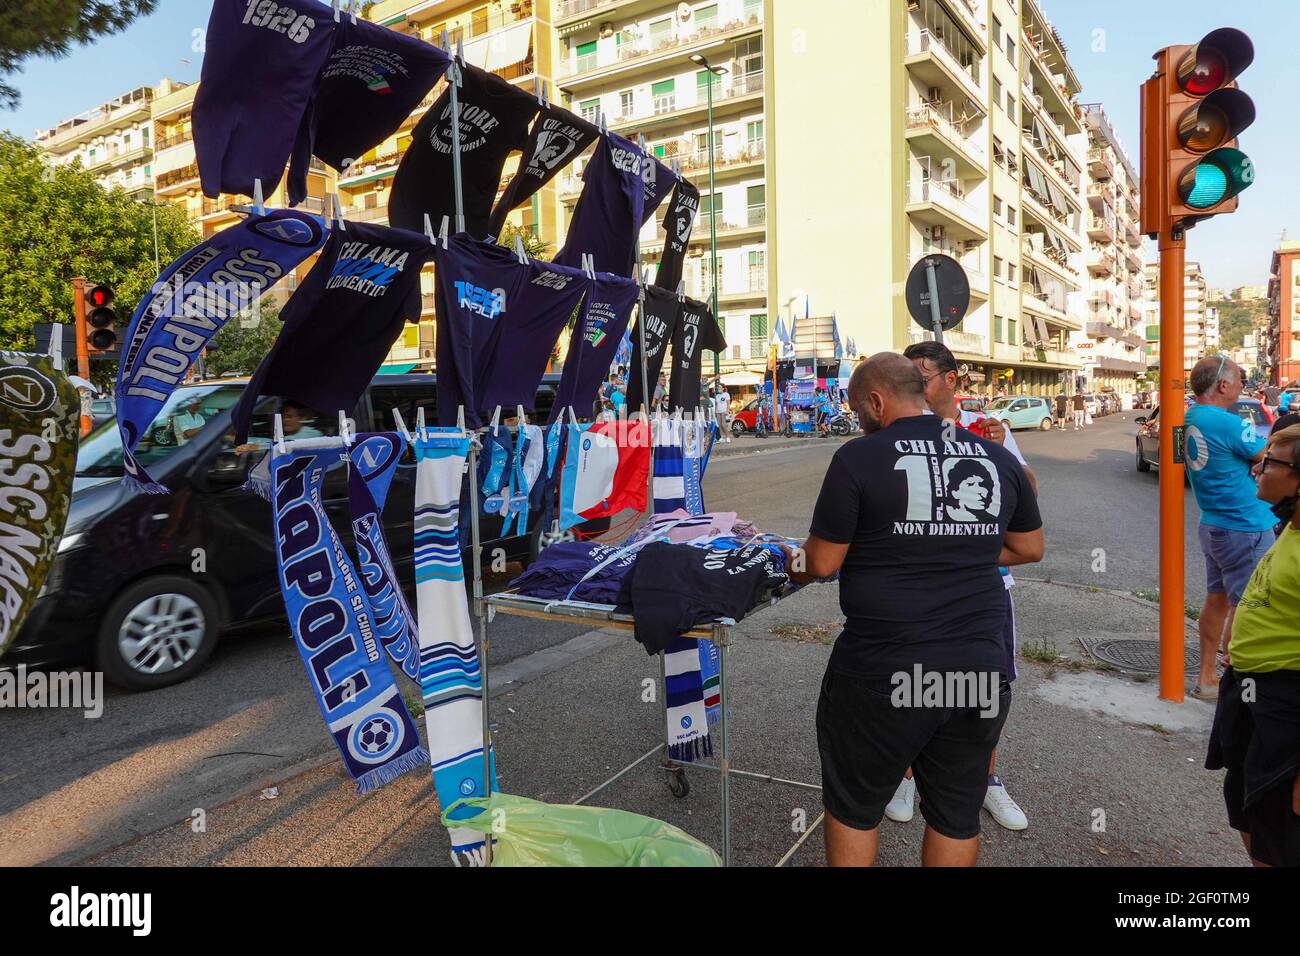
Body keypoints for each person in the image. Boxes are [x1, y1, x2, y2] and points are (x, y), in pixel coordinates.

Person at [788, 353, 1043, 867]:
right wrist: (955, 546)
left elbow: (822, 561)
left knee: (856, 807)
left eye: (858, 408)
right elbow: (1029, 547)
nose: (858, 417)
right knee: (955, 814)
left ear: (876, 401)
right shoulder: (993, 456)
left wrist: (789, 560)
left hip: (883, 668)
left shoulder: (858, 457)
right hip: (977, 669)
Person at [901, 340, 1036, 831]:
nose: (913, 387)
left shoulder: (987, 428)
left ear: (951, 380)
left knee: (988, 687)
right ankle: (907, 774)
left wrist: (999, 453)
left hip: (986, 583)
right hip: (921, 584)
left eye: (921, 378)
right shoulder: (901, 430)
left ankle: (985, 779)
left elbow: (1029, 495)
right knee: (912, 681)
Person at [1205, 423, 1300, 867]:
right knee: (1249, 811)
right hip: (1249, 690)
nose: (1256, 469)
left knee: (1279, 833)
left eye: (1270, 463)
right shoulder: (1289, 527)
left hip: (1284, 703)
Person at [1184, 355, 1273, 701]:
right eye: (1239, 380)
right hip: (1246, 526)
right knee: (1248, 607)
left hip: (1214, 522)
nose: (1242, 386)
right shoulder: (1228, 423)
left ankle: (1208, 677)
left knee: (1217, 600)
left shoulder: (1190, 417)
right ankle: (1237, 687)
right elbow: (1270, 457)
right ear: (1223, 385)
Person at [234, 399, 323, 452]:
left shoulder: (311, 434)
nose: (284, 420)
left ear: (302, 418)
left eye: (289, 416)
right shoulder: (285, 434)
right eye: (283, 416)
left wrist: (243, 441)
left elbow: (278, 445)